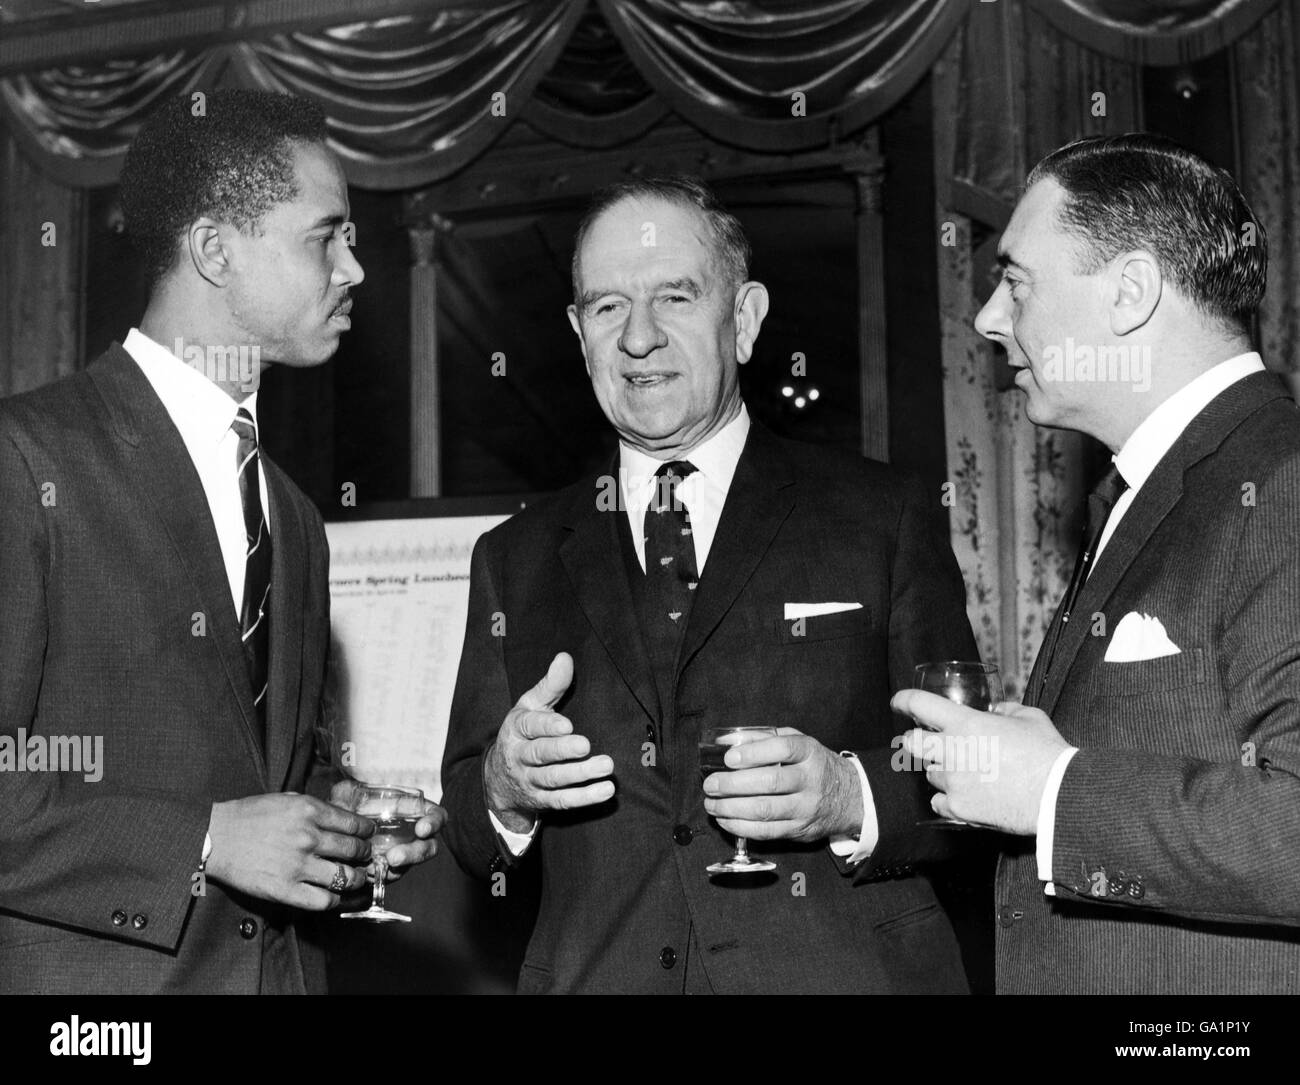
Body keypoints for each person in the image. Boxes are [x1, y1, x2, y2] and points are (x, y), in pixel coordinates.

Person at [441, 176, 979, 994]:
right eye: (607, 307)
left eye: (675, 297)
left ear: (747, 319)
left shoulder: (884, 515)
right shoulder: (512, 556)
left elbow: (968, 777)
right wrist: (503, 790)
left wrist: (847, 795)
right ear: (579, 332)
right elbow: (472, 830)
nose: (640, 338)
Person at [0, 89, 442, 994]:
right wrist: (208, 840)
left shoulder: (297, 519)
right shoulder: (25, 459)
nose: (355, 268)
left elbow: (251, 766)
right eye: (327, 236)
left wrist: (337, 811)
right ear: (214, 249)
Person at [893, 133, 1300, 994]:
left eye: (1017, 279)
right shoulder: (1149, 492)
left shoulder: (1284, 479)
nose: (989, 318)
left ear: (1131, 292)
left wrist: (1052, 787)